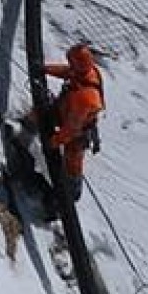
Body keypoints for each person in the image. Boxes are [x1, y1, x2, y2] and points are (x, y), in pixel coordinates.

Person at [40, 43, 105, 201]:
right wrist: (46, 69)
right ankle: (24, 127)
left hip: (77, 131)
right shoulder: (88, 72)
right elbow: (68, 72)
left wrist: (55, 142)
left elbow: (71, 129)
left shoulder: (86, 98)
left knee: (73, 163)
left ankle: (69, 196)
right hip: (65, 111)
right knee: (40, 114)